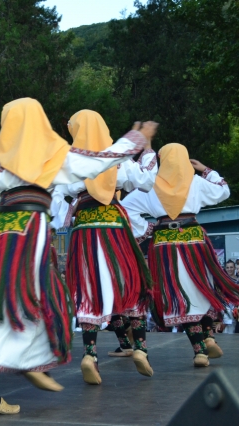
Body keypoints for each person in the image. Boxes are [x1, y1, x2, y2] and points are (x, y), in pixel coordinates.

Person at [0, 98, 149, 414]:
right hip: (32, 227)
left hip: (5, 228)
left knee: (34, 295)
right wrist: (133, 141)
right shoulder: (49, 155)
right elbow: (96, 162)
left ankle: (34, 364)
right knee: (26, 299)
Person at [50, 110, 158, 384]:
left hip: (85, 228)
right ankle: (141, 349)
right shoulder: (115, 158)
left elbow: (55, 198)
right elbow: (146, 180)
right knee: (130, 286)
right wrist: (146, 151)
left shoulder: (68, 160)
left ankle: (90, 355)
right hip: (114, 226)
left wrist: (69, 210)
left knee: (90, 289)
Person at [121, 143, 239, 368]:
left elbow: (124, 209)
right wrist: (205, 169)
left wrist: (147, 228)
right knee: (202, 289)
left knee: (179, 294)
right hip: (195, 241)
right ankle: (206, 339)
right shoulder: (196, 182)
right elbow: (223, 190)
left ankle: (201, 348)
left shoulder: (150, 185)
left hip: (164, 246)